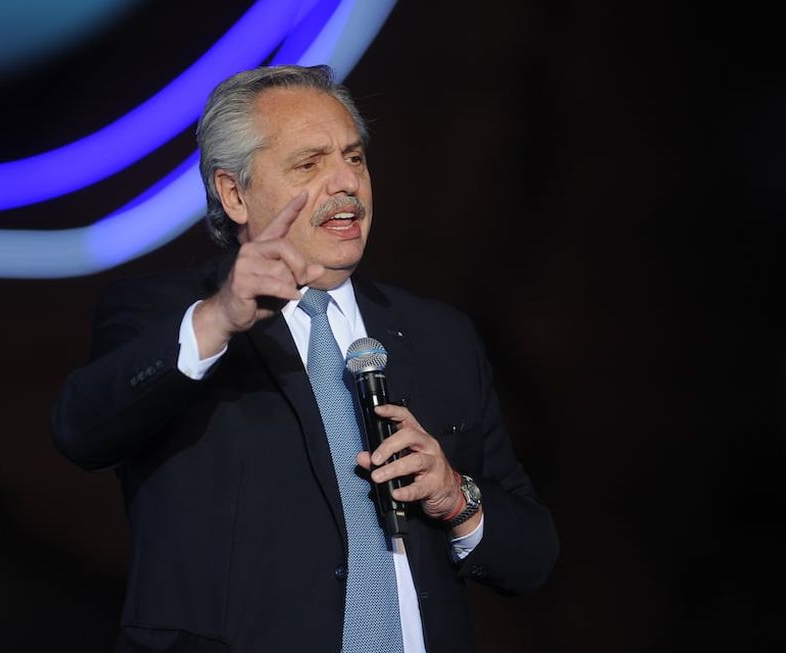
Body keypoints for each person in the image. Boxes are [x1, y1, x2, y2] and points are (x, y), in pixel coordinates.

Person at [52, 64, 557, 653]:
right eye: (309, 164)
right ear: (234, 194)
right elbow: (80, 431)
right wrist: (219, 318)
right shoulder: (165, 315)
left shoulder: (441, 335)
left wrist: (455, 498)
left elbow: (531, 559)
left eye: (355, 157)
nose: (346, 183)